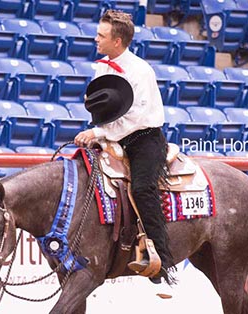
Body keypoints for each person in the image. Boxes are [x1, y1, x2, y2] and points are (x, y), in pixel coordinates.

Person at [74, 9, 173, 283]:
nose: (96, 39)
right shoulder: (101, 66)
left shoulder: (141, 71)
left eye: (101, 35)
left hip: (143, 139)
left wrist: (97, 132)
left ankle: (160, 259)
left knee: (142, 188)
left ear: (117, 42)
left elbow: (135, 118)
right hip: (110, 135)